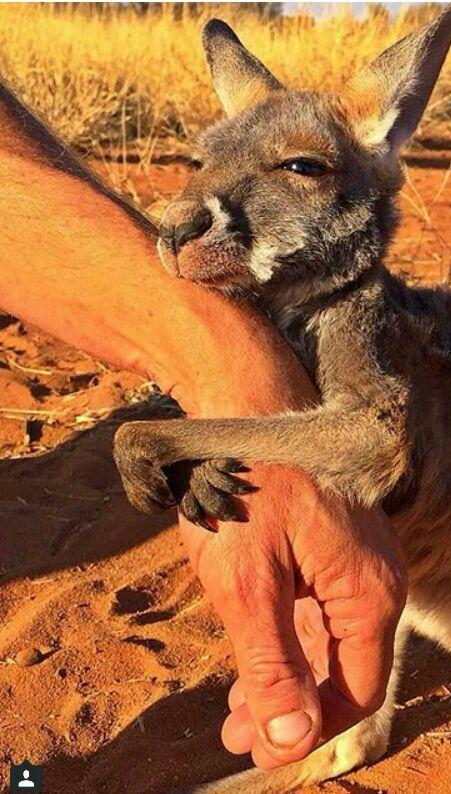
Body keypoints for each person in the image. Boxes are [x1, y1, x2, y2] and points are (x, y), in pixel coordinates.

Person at [0, 81, 406, 771]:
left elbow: (376, 436)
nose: (177, 212)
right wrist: (213, 402)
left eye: (301, 168)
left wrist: (195, 429)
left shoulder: (357, 313)